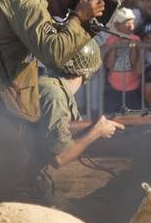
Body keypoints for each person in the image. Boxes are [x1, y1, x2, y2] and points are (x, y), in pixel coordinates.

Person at [33, 40, 124, 184]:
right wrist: (96, 131)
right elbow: (60, 158)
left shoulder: (54, 87)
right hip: (23, 178)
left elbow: (75, 137)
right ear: (87, 73)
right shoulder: (55, 95)